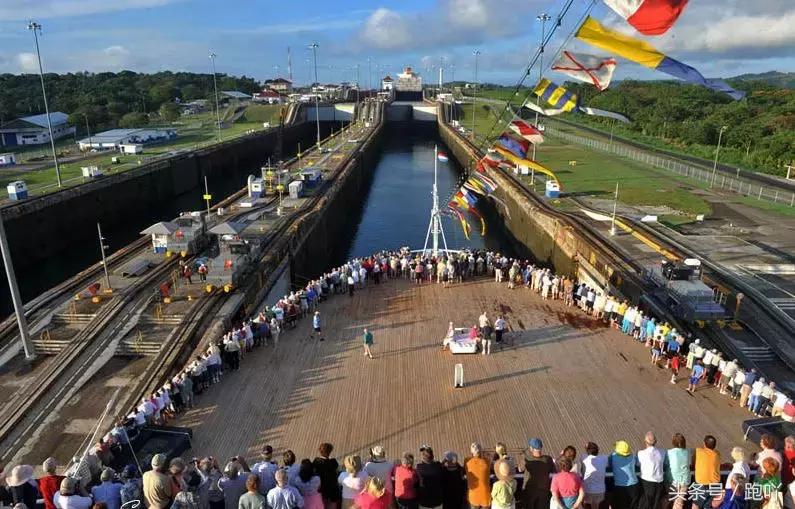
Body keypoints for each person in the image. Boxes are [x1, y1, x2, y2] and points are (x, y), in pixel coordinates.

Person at [519, 438, 555, 509]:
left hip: (530, 491)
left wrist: (522, 457)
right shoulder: (548, 459)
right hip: (544, 492)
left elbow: (520, 469)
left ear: (531, 448)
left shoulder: (527, 459)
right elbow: (553, 470)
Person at [637, 432, 664, 509]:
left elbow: (637, 464)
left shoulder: (640, 453)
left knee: (645, 505)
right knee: (656, 505)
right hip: (659, 482)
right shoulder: (662, 452)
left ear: (645, 442)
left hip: (647, 483)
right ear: (655, 442)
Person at [608, 441, 638, 509]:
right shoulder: (632, 456)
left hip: (620, 487)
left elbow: (609, 464)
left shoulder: (613, 456)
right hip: (634, 486)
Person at [694, 436, 721, 509]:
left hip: (701, 483)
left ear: (704, 444)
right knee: (708, 506)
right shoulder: (717, 454)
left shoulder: (698, 451)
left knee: (696, 505)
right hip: (715, 484)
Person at [665, 434, 691, 509]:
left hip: (673, 480)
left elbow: (666, 464)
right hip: (685, 480)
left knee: (676, 501)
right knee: (679, 501)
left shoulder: (669, 452)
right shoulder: (687, 452)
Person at [312, 443, 341, 509]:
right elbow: (337, 472)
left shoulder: (316, 461)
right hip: (332, 490)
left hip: (321, 489)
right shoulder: (333, 462)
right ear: (330, 452)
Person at [464, 443, 491, 509]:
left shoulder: (467, 461)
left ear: (471, 452)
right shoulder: (487, 461)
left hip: (473, 496)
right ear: (481, 451)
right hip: (485, 496)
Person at [580, 443, 607, 509]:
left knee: (586, 506)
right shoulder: (604, 458)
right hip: (601, 490)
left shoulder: (583, 457)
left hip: (587, 490)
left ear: (587, 451)